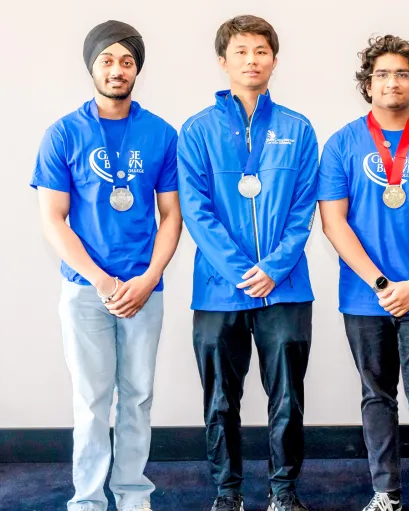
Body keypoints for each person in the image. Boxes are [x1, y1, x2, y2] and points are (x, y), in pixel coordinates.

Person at [31, 20, 182, 511]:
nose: (117, 70)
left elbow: (171, 216)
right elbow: (54, 220)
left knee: (137, 399)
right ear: (91, 66)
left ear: (137, 68)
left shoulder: (160, 133)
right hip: (85, 290)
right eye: (107, 60)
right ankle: (89, 502)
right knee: (92, 404)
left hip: (144, 290)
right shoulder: (64, 134)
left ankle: (134, 497)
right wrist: (101, 280)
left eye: (126, 61)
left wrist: (148, 279)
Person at [176, 14, 318, 511]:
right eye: (241, 51)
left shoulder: (298, 129)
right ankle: (227, 493)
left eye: (261, 50)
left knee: (287, 398)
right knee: (219, 400)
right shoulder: (196, 131)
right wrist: (241, 270)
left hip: (286, 288)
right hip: (219, 288)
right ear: (223, 61)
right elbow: (195, 209)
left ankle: (283, 492)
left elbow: (304, 209)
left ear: (274, 60)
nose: (251, 59)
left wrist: (275, 268)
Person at [317, 34, 409, 511]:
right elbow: (332, 221)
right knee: (376, 397)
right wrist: (382, 284)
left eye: (403, 73)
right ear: (367, 84)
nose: (392, 82)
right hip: (365, 297)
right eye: (382, 74)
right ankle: (386, 493)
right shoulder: (342, 143)